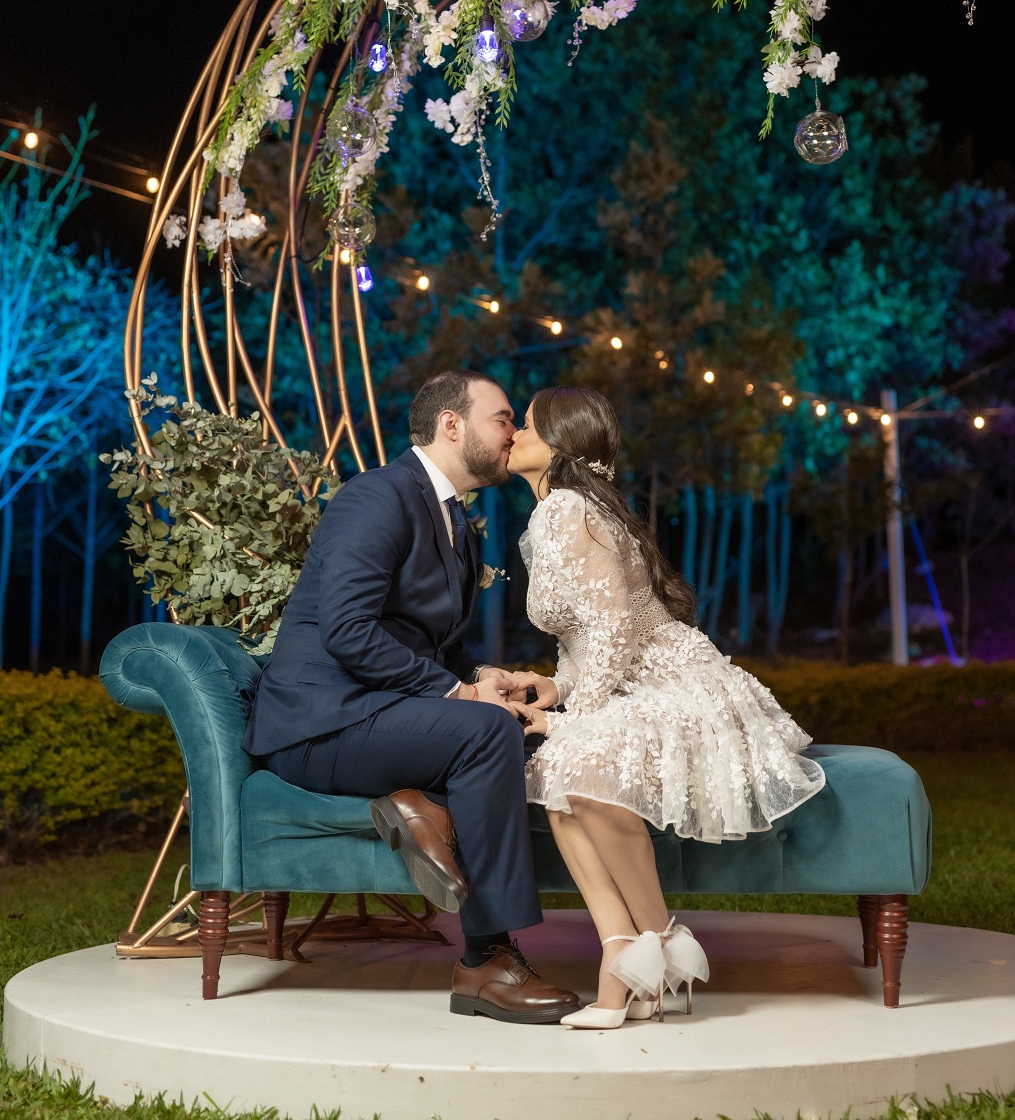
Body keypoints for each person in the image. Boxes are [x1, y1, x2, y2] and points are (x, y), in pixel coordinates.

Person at [242, 369, 580, 1025]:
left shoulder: (459, 522)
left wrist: (483, 676)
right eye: (502, 417)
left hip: (382, 712)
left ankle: (415, 802)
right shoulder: (378, 496)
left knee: (531, 716)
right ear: (452, 424)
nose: (513, 433)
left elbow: (432, 646)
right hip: (320, 724)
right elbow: (346, 630)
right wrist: (459, 695)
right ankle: (485, 961)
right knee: (486, 731)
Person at [506, 386, 826, 1029]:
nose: (513, 434)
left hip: (676, 684)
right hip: (632, 680)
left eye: (528, 426)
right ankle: (628, 955)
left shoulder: (566, 509)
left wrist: (573, 715)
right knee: (560, 785)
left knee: (580, 763)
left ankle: (649, 950)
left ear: (560, 445)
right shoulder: (565, 510)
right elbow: (588, 632)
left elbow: (618, 627)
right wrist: (559, 689)